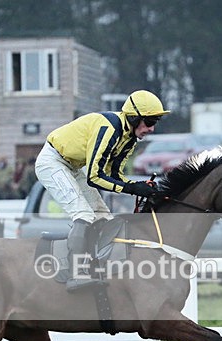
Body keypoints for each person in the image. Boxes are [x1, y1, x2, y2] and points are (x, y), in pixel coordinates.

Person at [35, 89, 170, 291]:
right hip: (52, 162)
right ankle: (75, 274)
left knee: (103, 217)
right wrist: (132, 188)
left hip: (73, 166)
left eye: (155, 122)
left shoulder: (129, 138)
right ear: (134, 118)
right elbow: (94, 177)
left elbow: (114, 175)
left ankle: (95, 265)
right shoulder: (109, 129)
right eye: (149, 122)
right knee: (84, 215)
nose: (152, 129)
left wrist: (140, 186)